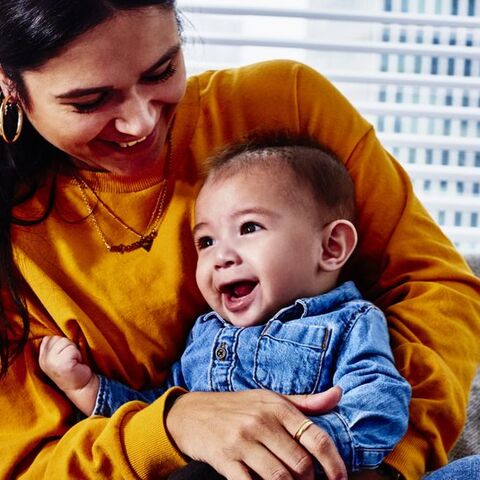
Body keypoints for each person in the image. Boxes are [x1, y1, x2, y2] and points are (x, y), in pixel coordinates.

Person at [0, 1, 478, 479]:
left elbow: (436, 291)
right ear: (9, 83)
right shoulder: (13, 235)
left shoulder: (285, 102)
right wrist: (170, 425)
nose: (141, 123)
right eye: (90, 101)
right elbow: (26, 462)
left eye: (162, 70)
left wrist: (381, 465)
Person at [38, 134, 412, 476]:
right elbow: (161, 409)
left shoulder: (349, 322)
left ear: (331, 247)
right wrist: (88, 387)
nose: (221, 257)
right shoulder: (206, 333)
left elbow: (381, 407)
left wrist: (298, 441)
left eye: (249, 228)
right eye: (205, 242)